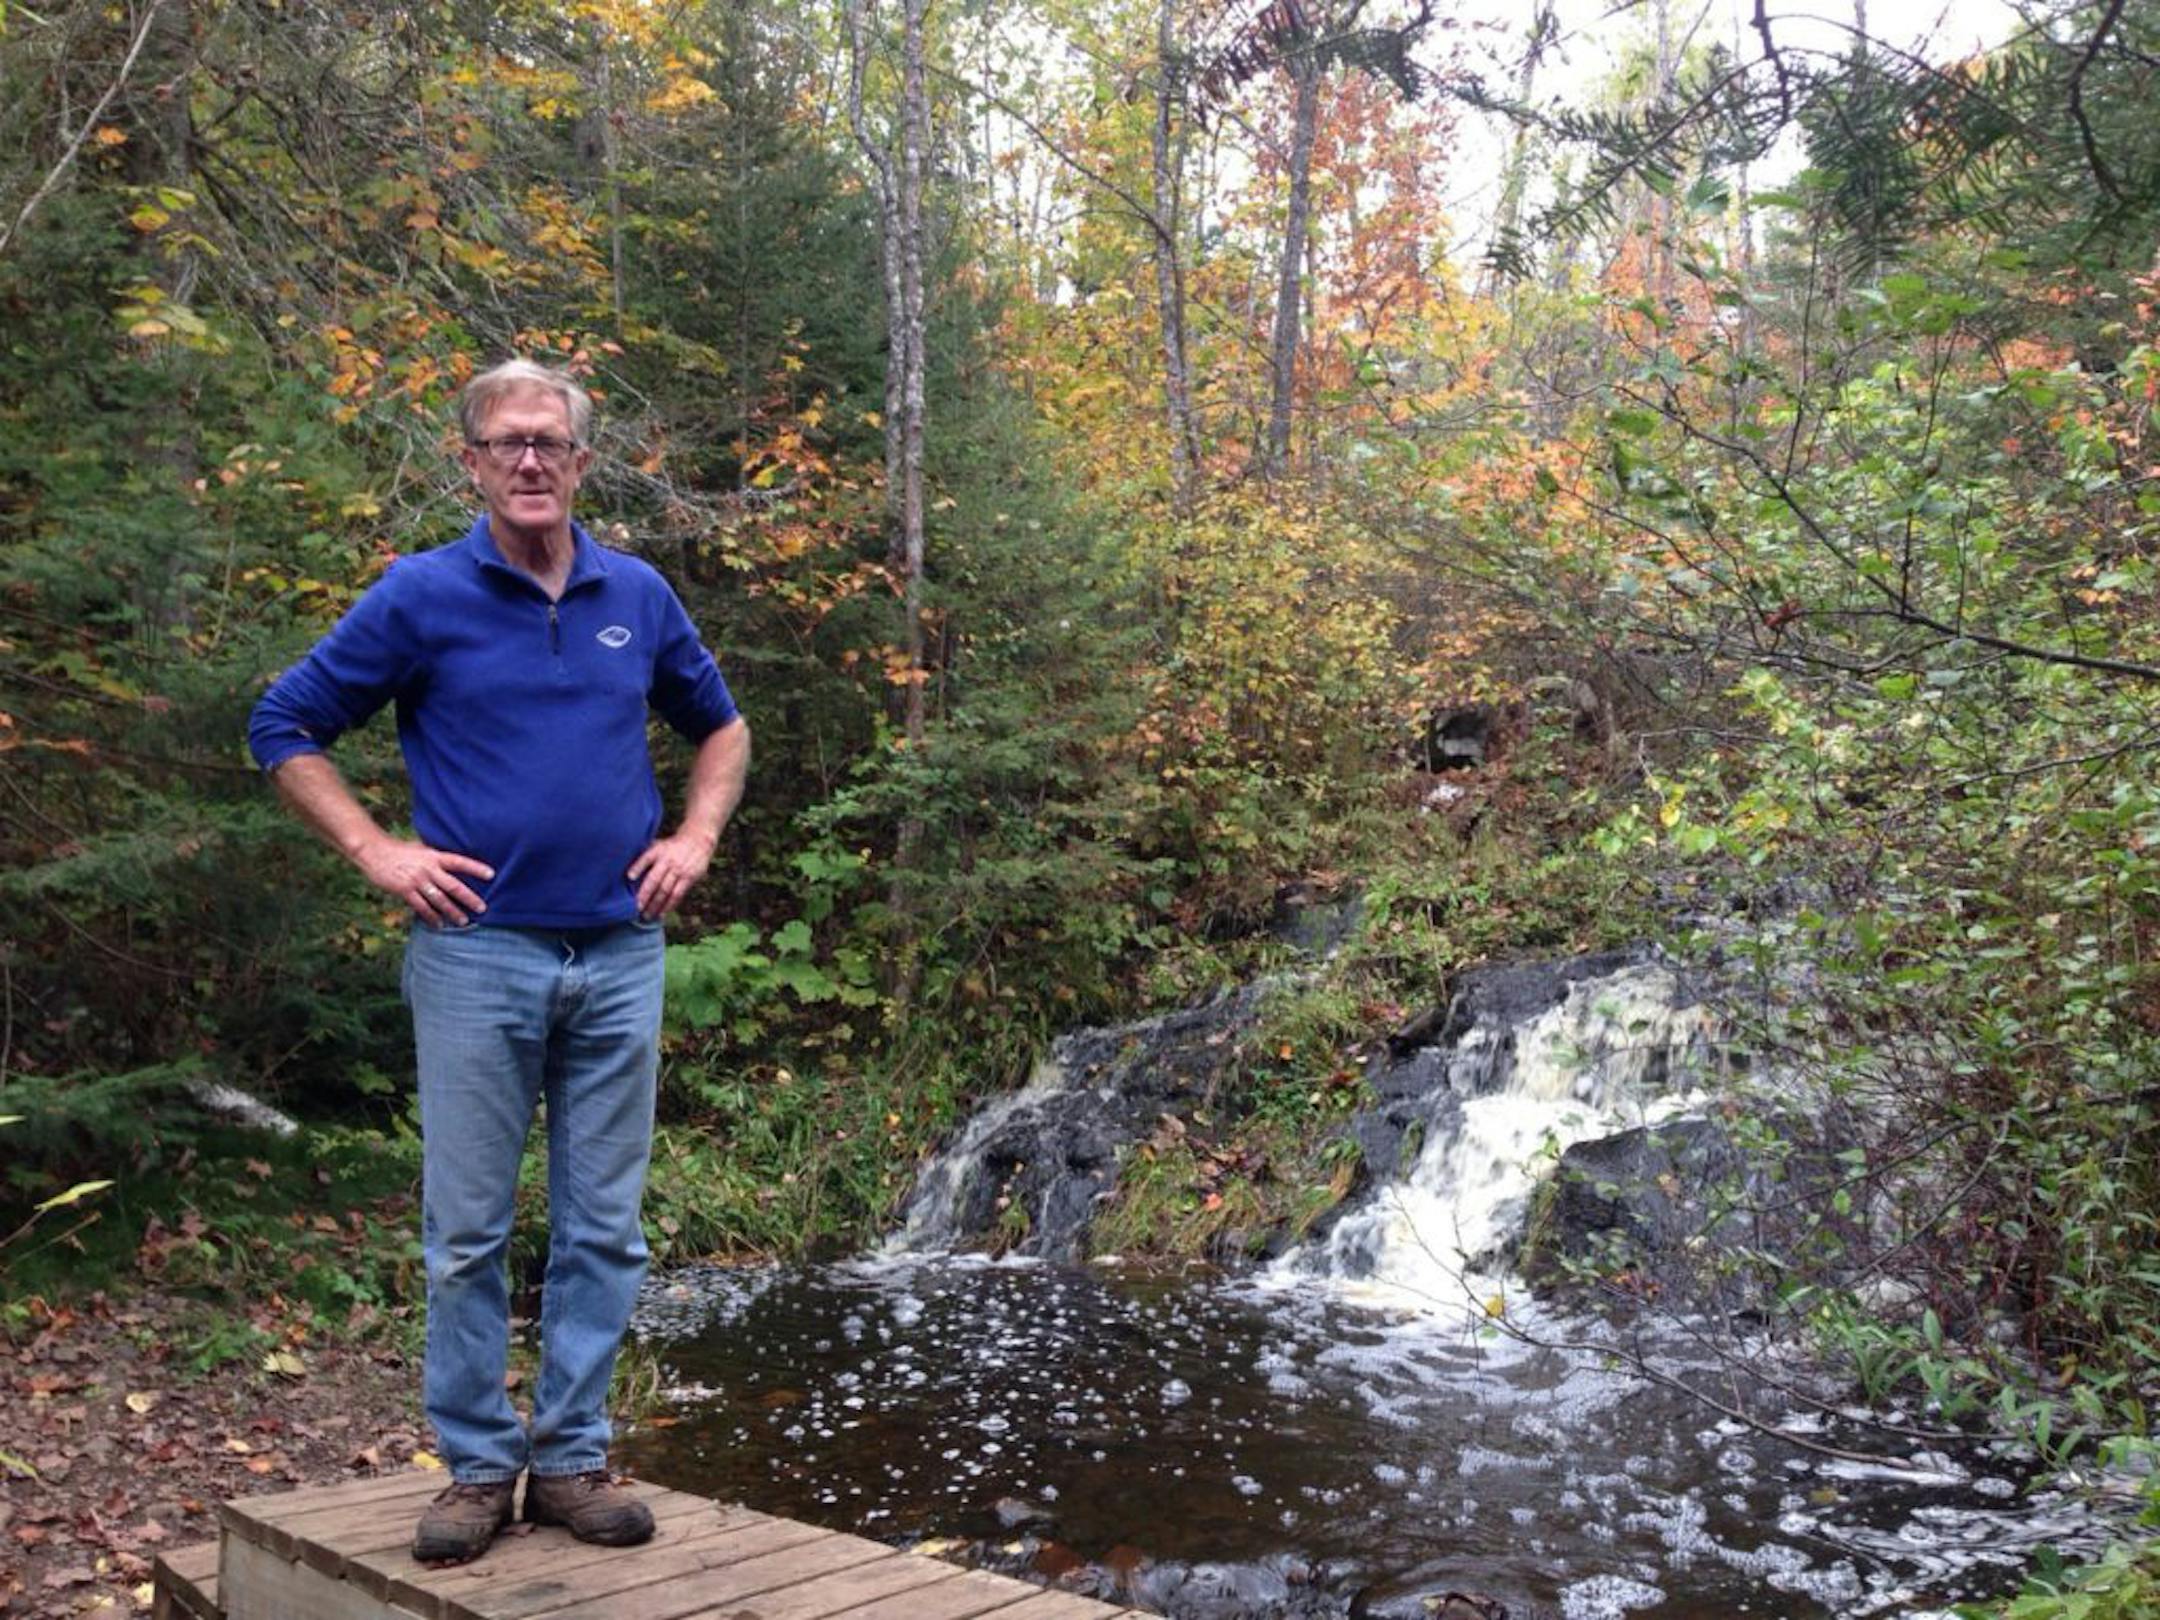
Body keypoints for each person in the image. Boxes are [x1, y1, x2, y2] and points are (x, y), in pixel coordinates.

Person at [248, 358, 750, 1565]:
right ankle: (479, 1467)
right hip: (478, 955)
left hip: (619, 951)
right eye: (506, 443)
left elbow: (720, 726)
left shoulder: (638, 591)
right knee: (468, 1229)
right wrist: (379, 851)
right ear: (471, 462)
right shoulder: (422, 596)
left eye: (551, 443)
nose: (531, 461)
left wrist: (695, 835)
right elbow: (285, 723)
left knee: (604, 1227)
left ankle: (572, 1459)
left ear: (583, 462)